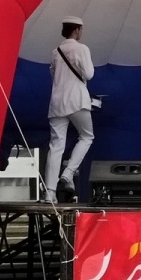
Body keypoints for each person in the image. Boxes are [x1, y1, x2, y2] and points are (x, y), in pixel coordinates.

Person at [45, 16, 97, 201]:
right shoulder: (82, 48)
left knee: (56, 145)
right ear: (77, 30)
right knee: (87, 136)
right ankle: (67, 173)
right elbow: (89, 74)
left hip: (57, 101)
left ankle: (49, 192)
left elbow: (53, 74)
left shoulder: (55, 51)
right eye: (81, 29)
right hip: (76, 99)